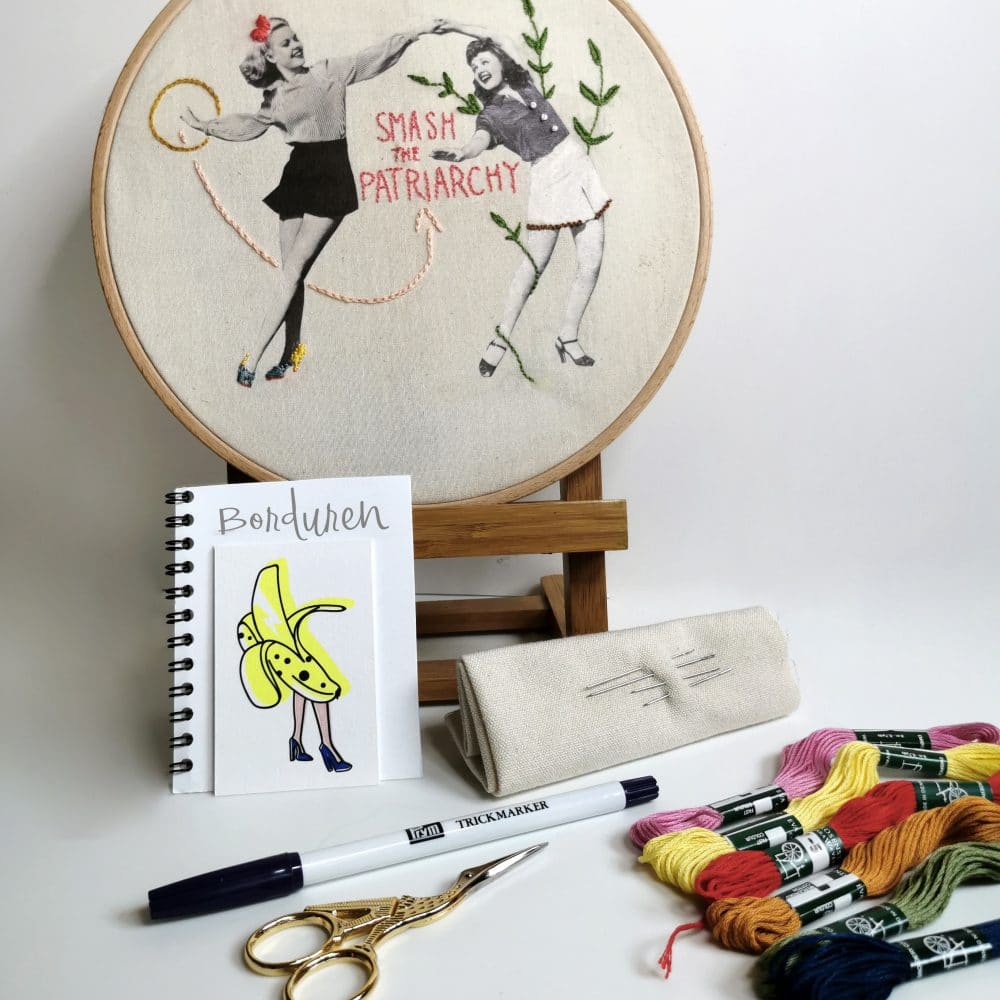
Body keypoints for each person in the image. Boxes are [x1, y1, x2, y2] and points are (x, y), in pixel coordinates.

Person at [182, 14, 449, 386]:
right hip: (298, 173)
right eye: (286, 43)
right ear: (270, 56)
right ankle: (291, 352)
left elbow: (374, 57)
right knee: (290, 274)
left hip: (331, 174)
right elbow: (250, 126)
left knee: (291, 272)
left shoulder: (328, 72)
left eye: (296, 38)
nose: (296, 45)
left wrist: (415, 32)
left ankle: (251, 357)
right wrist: (207, 127)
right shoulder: (274, 96)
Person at [432, 26, 611, 376]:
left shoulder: (526, 82)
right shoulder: (491, 114)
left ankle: (568, 335)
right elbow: (480, 139)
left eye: (484, 61)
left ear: (500, 60)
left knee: (590, 263)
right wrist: (463, 152)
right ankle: (500, 339)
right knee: (532, 267)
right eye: (474, 68)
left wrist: (453, 25)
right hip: (548, 179)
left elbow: (497, 36)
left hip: (577, 165)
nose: (479, 69)